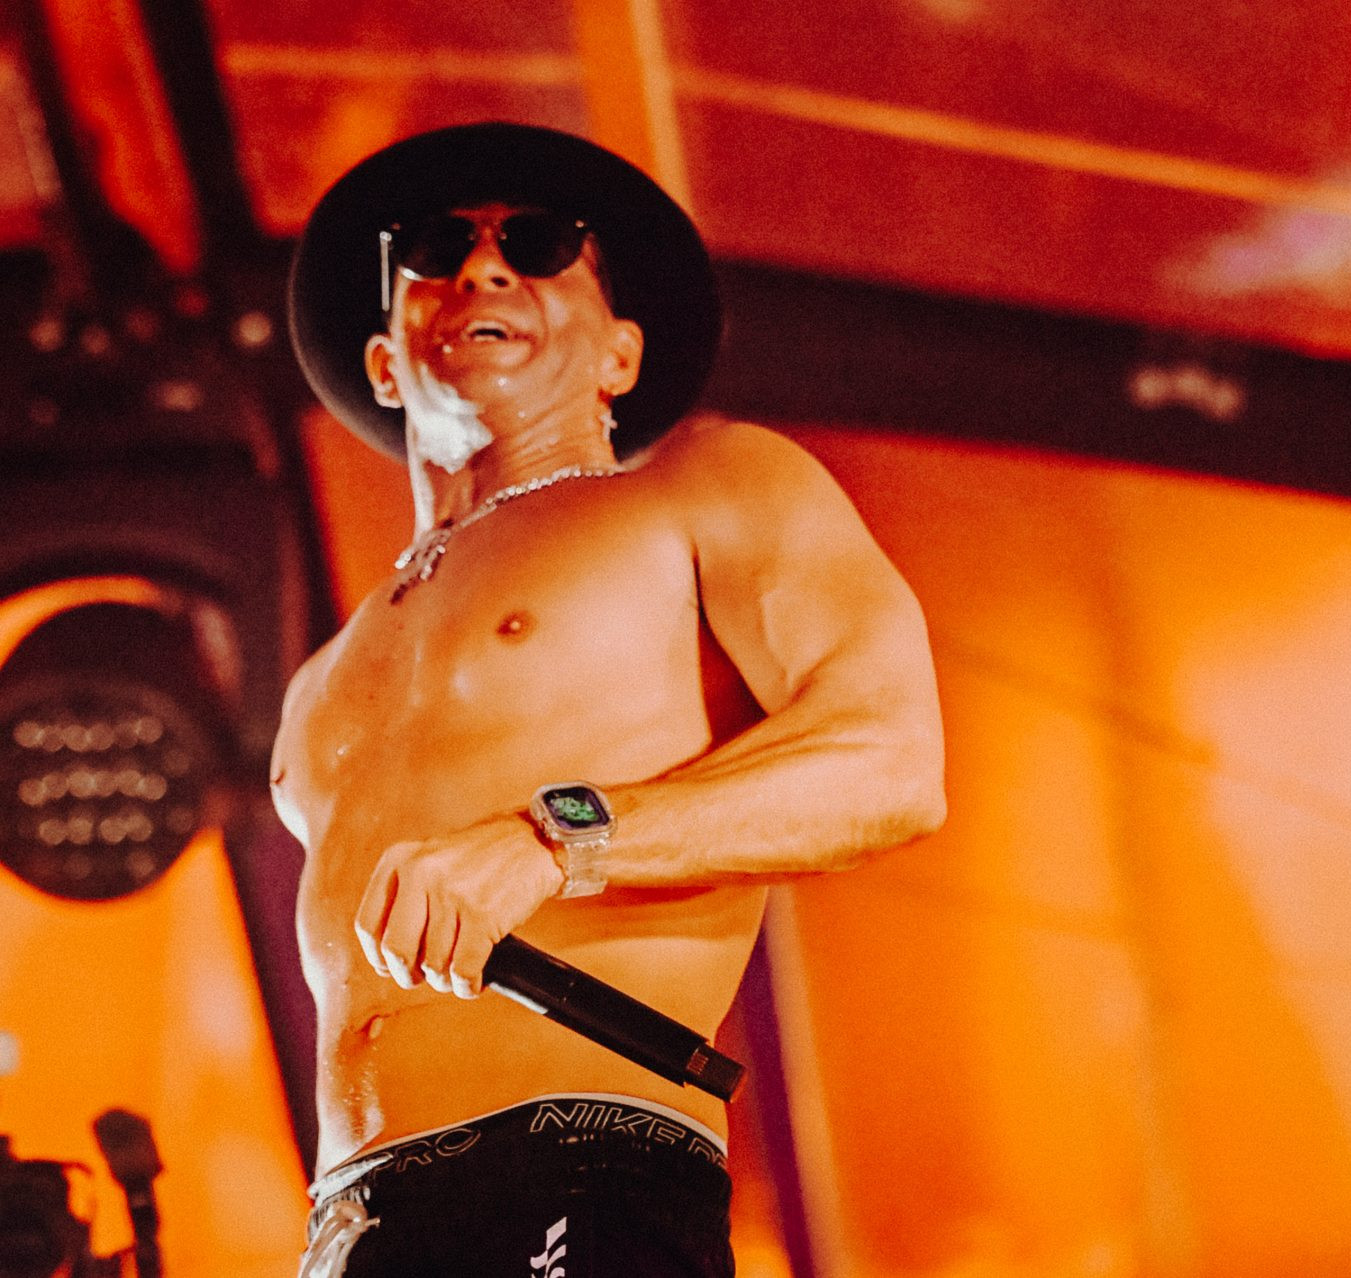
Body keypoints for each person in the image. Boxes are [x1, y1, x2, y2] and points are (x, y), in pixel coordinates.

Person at [275, 123, 945, 1277]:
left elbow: (891, 763)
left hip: (586, 1171)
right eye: (436, 248)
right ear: (384, 362)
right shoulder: (317, 679)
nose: (484, 270)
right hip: (344, 1223)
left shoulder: (711, 487)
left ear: (620, 356)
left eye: (538, 246)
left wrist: (555, 836)